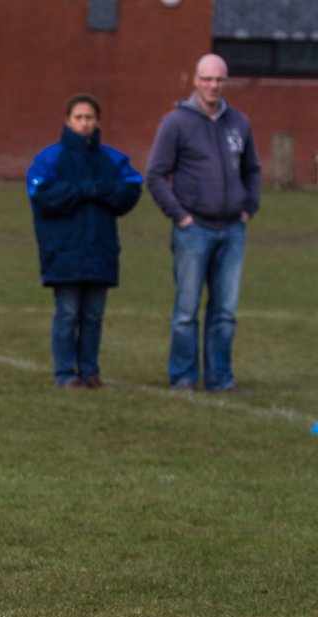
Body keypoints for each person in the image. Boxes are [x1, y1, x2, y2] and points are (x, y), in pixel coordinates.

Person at [146, 53, 261, 393]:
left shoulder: (239, 122)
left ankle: (220, 378)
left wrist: (248, 206)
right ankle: (183, 377)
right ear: (195, 81)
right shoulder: (175, 123)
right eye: (207, 79)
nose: (213, 86)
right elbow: (154, 175)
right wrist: (180, 216)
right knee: (186, 310)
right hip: (193, 230)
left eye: (219, 80)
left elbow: (252, 170)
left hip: (233, 230)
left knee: (225, 312)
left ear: (226, 83)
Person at [26, 93, 143, 389]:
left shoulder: (112, 159)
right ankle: (66, 373)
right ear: (67, 120)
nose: (84, 123)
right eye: (78, 117)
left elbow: (130, 188)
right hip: (63, 249)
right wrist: (87, 190)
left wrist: (93, 190)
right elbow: (41, 195)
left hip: (100, 250)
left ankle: (90, 371)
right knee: (67, 313)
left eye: (89, 117)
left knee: (93, 315)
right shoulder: (49, 158)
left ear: (97, 121)